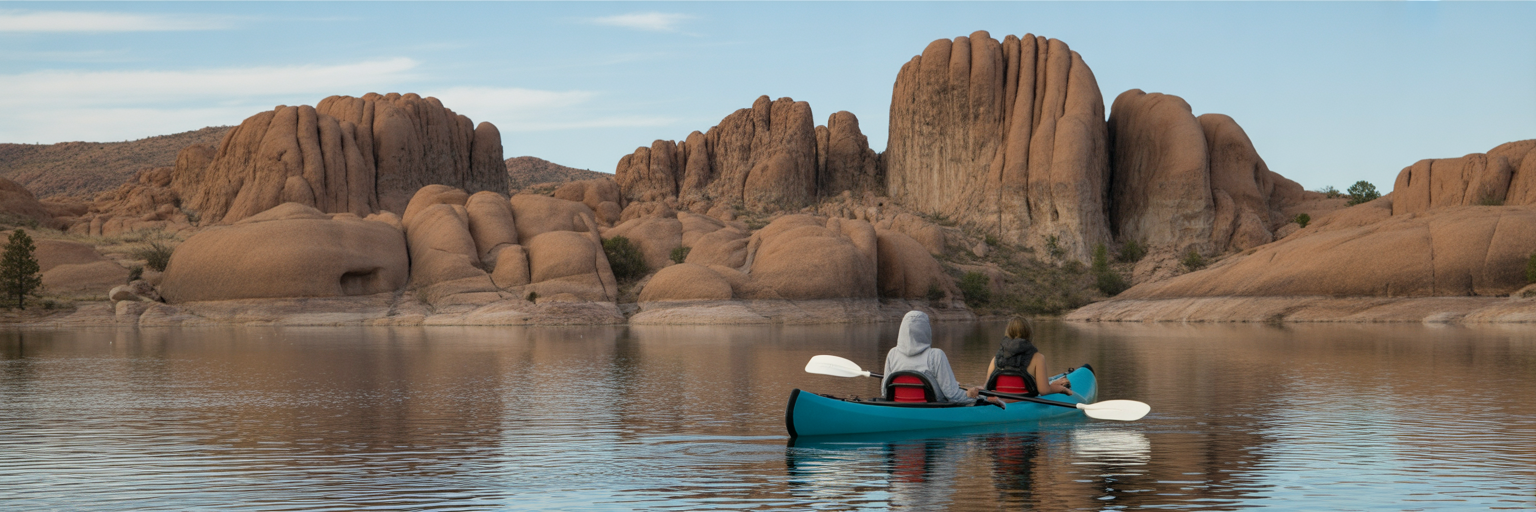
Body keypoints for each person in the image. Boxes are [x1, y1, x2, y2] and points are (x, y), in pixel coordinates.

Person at [882, 311, 1004, 406]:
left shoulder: (892, 354)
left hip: (899, 406)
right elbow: (953, 396)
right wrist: (974, 395)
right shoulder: (936, 355)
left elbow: (885, 392)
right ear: (926, 329)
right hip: (932, 408)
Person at [965, 316, 1072, 401]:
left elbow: (987, 387)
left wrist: (976, 389)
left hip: (998, 402)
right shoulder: (1038, 358)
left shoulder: (996, 359)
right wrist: (1062, 389)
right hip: (1021, 403)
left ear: (1008, 333)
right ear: (1029, 333)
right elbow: (1043, 390)